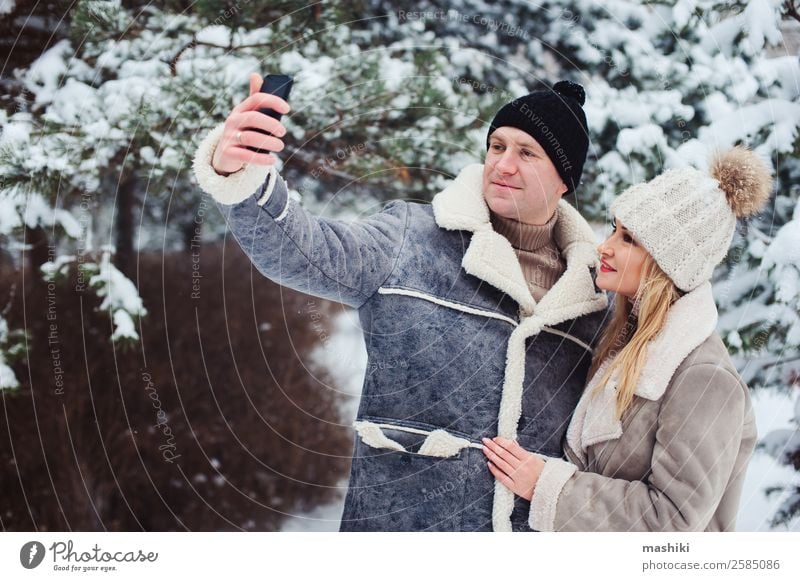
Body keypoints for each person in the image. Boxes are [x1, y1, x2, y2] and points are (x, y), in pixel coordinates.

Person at [192, 73, 609, 531]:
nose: (502, 165)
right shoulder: (412, 238)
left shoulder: (592, 301)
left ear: (565, 179)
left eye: (526, 153)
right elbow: (302, 251)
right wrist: (242, 174)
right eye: (496, 146)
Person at [481, 146, 772, 531]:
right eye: (614, 229)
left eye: (629, 239)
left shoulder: (704, 378)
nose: (606, 246)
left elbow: (671, 522)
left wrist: (547, 486)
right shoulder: (625, 342)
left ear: (667, 264)